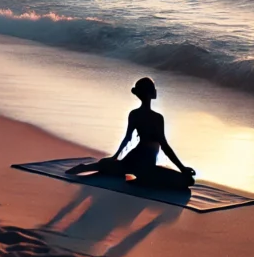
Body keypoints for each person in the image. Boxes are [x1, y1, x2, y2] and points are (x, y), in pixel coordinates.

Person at [67, 77, 196, 189]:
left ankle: (85, 167)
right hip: (145, 163)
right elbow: (165, 146)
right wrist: (182, 168)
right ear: (151, 93)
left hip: (133, 158)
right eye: (153, 89)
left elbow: (127, 139)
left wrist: (115, 157)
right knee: (187, 181)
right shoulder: (157, 118)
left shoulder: (135, 114)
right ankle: (142, 179)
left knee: (112, 166)